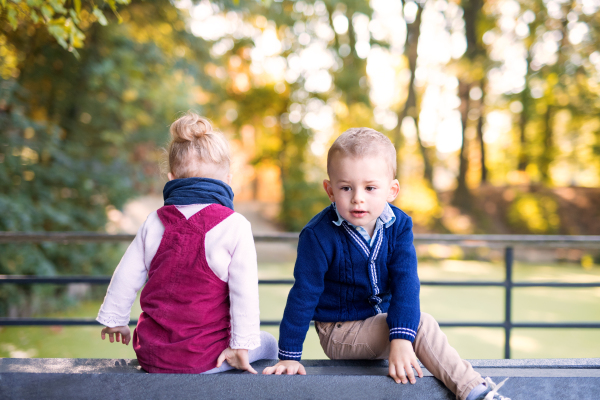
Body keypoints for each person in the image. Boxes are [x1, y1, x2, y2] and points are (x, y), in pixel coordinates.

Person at [262, 128, 510, 400]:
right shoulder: (318, 235)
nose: (358, 197)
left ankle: (452, 373)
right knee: (420, 326)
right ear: (330, 190)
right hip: (339, 331)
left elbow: (406, 282)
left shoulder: (399, 225)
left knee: (411, 325)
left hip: (382, 320)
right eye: (346, 188)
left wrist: (400, 338)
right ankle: (476, 392)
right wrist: (288, 356)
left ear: (391, 190)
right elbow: (303, 294)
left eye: (370, 188)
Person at [97, 112, 277, 374]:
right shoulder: (235, 225)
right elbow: (244, 294)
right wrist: (241, 345)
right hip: (205, 359)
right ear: (227, 180)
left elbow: (126, 274)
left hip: (152, 356)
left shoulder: (154, 222)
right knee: (270, 343)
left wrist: (115, 320)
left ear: (171, 178)